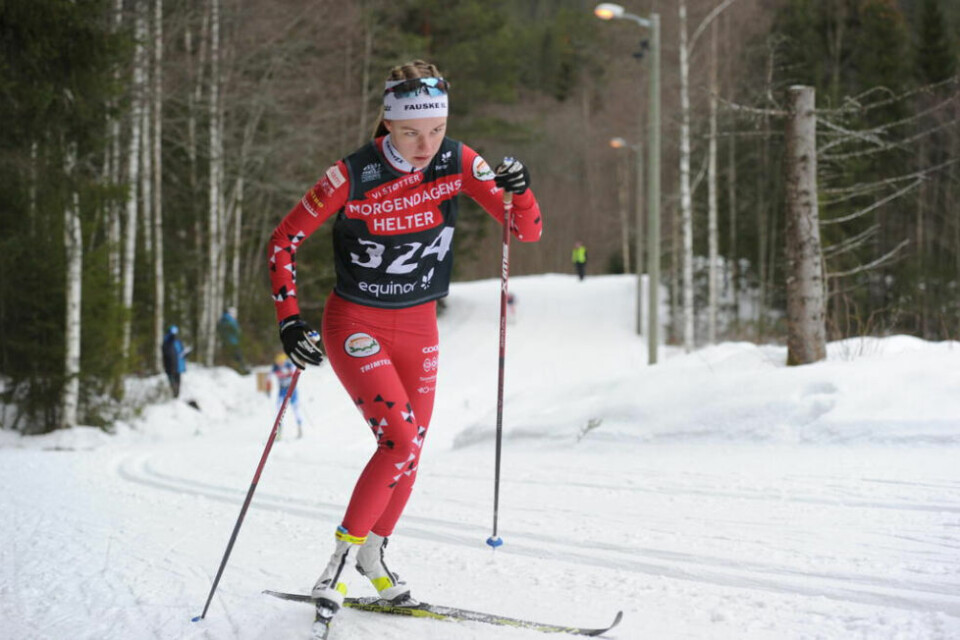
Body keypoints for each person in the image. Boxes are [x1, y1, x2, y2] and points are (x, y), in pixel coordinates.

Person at [266, 60, 542, 619]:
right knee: (397, 439)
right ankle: (336, 567)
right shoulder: (351, 174)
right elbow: (283, 241)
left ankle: (374, 554)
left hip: (419, 326)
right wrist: (290, 319)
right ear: (388, 122)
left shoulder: (457, 161)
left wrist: (522, 191)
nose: (425, 145)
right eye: (412, 131)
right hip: (356, 323)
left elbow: (526, 230)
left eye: (437, 129)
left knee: (411, 451)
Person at [267, 352, 303, 439]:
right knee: (279, 410)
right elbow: (268, 377)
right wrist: (268, 388)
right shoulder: (275, 367)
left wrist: (291, 373)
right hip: (282, 391)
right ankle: (278, 432)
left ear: (284, 360)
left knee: (295, 409)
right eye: (278, 361)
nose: (279, 363)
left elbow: (297, 372)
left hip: (291, 390)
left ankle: (300, 428)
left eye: (281, 361)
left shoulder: (289, 365)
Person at [217, 307, 248, 373]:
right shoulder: (231, 321)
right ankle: (242, 369)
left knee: (232, 357)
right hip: (232, 342)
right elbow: (236, 331)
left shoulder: (223, 320)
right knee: (237, 356)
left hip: (226, 342)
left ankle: (239, 369)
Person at [161, 325, 187, 398]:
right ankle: (174, 397)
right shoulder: (167, 342)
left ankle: (177, 397)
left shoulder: (178, 342)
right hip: (170, 367)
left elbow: (181, 352)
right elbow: (168, 354)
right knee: (173, 383)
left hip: (178, 366)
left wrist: (185, 354)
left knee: (178, 383)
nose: (175, 334)